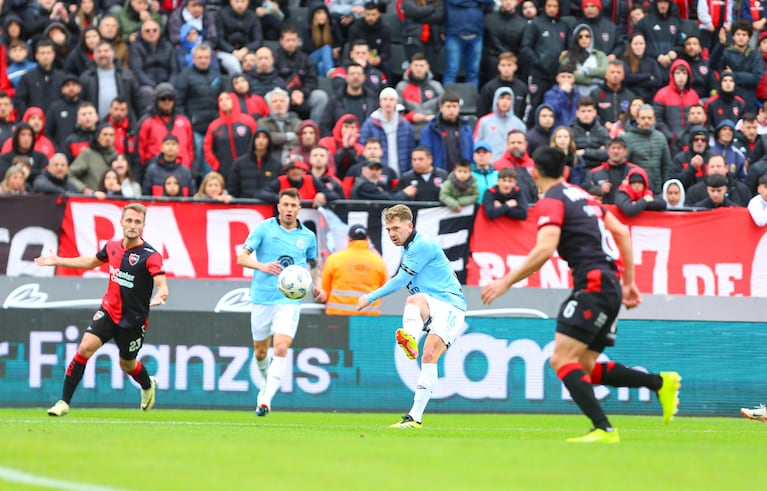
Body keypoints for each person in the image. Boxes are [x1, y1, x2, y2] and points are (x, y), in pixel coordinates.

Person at [480, 146, 682, 443]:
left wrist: (506, 282)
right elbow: (622, 232)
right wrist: (628, 282)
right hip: (608, 283)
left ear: (534, 172)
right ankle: (660, 383)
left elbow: (545, 248)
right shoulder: (582, 195)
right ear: (563, 171)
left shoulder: (551, 200)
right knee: (583, 366)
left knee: (561, 360)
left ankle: (604, 429)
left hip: (593, 284)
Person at [37, 203, 168, 417]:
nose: (132, 225)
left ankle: (147, 384)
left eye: (137, 222)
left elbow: (161, 282)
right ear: (121, 222)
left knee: (127, 363)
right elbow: (90, 262)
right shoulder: (112, 246)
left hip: (133, 321)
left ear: (143, 225)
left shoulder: (150, 255)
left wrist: (162, 294)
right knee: (84, 349)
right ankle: (64, 402)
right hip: (108, 311)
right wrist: (57, 260)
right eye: (129, 220)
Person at [356, 204, 467, 429]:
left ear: (410, 225)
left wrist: (371, 297)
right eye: (388, 229)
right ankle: (414, 419)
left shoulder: (422, 244)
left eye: (396, 228)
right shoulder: (408, 248)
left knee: (413, 303)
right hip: (436, 305)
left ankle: (411, 339)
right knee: (428, 357)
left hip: (450, 305)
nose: (392, 234)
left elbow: (399, 280)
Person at [236, 188, 327, 416]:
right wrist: (262, 266)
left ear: (299, 208)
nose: (288, 209)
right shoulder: (264, 229)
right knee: (260, 352)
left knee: (281, 346)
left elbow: (314, 263)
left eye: (293, 206)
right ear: (278, 206)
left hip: (289, 300)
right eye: (285, 205)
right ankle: (267, 384)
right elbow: (241, 257)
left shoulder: (307, 236)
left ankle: (265, 399)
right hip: (262, 297)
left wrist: (318, 284)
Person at [322, 224, 387, 316]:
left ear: (349, 238)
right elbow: (382, 290)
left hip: (337, 316)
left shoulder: (333, 259)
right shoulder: (378, 262)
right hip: (368, 316)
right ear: (367, 239)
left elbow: (325, 290)